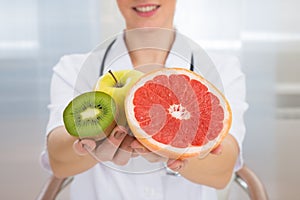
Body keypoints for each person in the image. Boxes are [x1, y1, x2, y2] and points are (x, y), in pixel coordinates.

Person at [41, 0, 248, 199]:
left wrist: (170, 147)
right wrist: (94, 143)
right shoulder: (74, 68)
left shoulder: (220, 69)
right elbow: (59, 162)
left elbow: (223, 170)